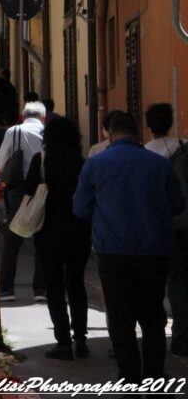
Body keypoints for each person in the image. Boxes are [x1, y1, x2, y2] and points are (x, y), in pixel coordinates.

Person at [73, 113, 185, 384]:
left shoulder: (95, 164)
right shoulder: (159, 164)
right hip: (154, 250)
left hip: (112, 252)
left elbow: (80, 208)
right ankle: (154, 374)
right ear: (138, 134)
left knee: (121, 318)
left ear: (110, 135)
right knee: (153, 317)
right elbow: (177, 205)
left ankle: (129, 376)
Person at [25, 117, 91, 360]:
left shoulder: (41, 161)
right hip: (78, 229)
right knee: (76, 284)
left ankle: (63, 341)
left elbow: (28, 189)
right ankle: (81, 339)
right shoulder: (83, 163)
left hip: (48, 230)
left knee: (54, 286)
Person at [144, 102, 188, 357]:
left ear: (148, 125)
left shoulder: (145, 153)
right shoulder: (184, 146)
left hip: (164, 225)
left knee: (175, 282)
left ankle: (179, 338)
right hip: (187, 219)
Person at [0, 101, 47, 302]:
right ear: (43, 117)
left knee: (12, 239)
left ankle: (7, 288)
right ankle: (41, 289)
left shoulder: (13, 131)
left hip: (18, 190)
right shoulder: (48, 132)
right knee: (41, 238)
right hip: (43, 190)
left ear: (22, 116)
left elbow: (0, 163)